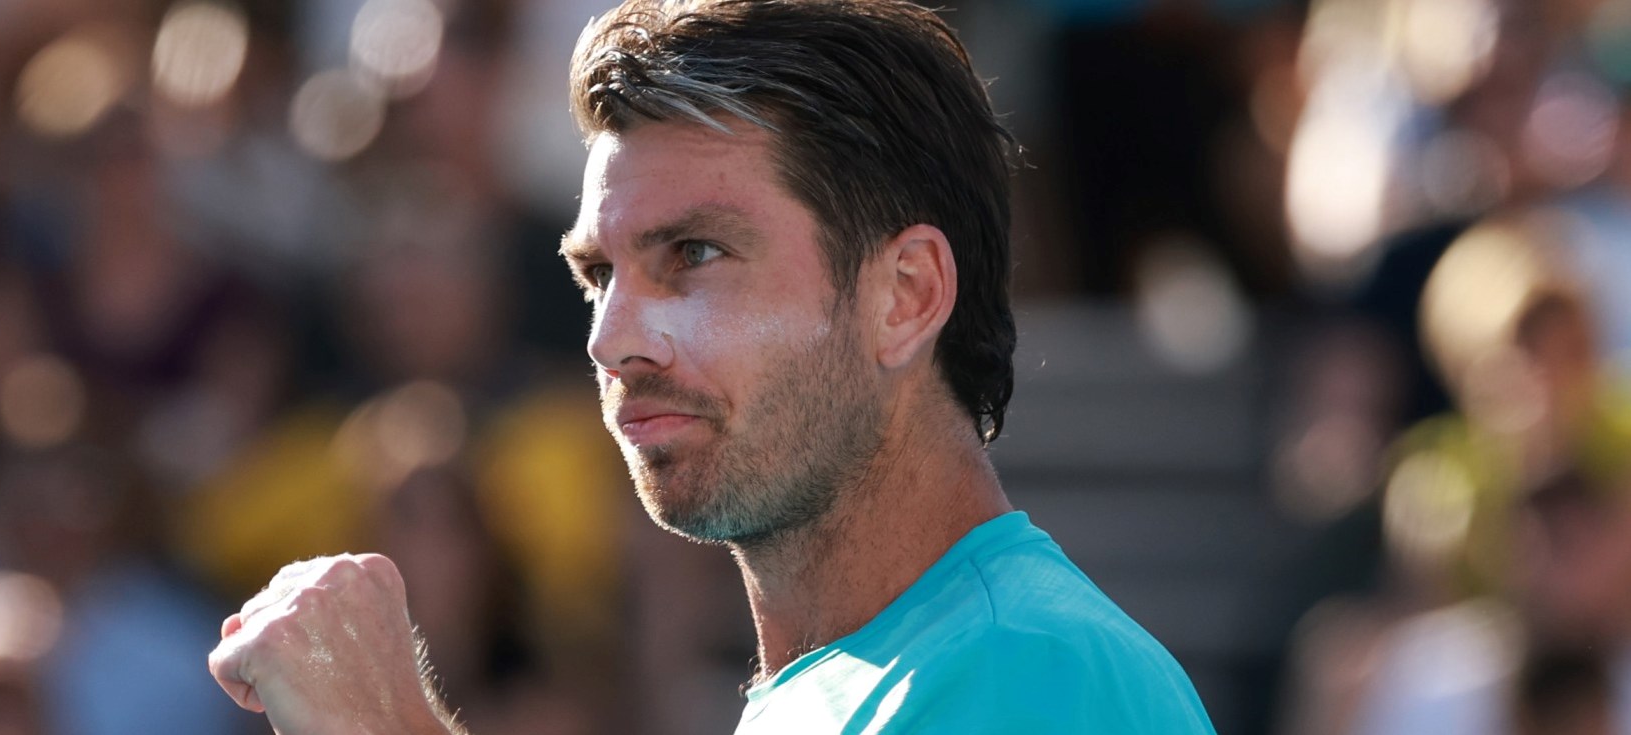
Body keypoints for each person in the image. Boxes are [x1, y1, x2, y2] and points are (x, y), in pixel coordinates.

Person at [206, 1, 1218, 732]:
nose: (611, 339)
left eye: (693, 255)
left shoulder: (1030, 677)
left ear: (905, 294)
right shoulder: (853, 681)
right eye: (599, 273)